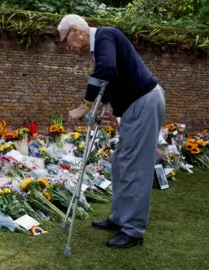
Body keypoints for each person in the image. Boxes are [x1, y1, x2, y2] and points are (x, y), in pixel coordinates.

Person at [57, 14, 166, 248]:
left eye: (66, 40)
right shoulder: (100, 48)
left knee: (137, 166)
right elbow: (111, 79)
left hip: (145, 102)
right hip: (133, 107)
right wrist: (102, 107)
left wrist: (83, 106)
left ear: (77, 30)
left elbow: (106, 70)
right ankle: (119, 218)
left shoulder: (106, 35)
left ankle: (133, 231)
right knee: (120, 162)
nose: (67, 47)